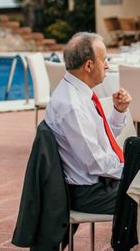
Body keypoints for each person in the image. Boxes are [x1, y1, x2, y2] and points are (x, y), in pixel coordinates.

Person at [45, 32, 132, 214]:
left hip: (97, 183)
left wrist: (118, 111)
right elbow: (94, 162)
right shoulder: (72, 106)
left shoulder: (78, 92)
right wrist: (130, 170)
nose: (108, 66)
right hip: (90, 192)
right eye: (104, 60)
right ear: (89, 65)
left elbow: (99, 140)